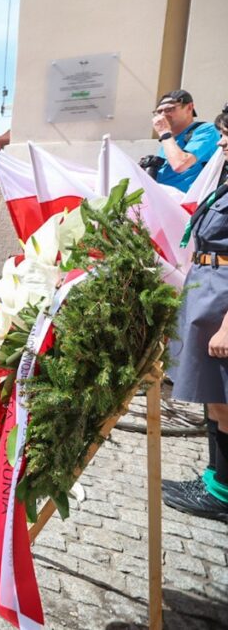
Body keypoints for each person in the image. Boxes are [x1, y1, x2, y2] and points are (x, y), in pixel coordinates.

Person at [163, 105, 228, 521]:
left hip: (222, 303)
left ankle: (221, 494)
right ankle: (213, 479)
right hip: (209, 292)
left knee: (224, 401)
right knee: (213, 398)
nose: (222, 142)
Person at [146, 90, 220, 192]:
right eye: (159, 111)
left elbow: (180, 164)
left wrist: (164, 132)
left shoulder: (207, 130)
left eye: (169, 109)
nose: (162, 115)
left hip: (189, 202)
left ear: (189, 107)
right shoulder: (169, 140)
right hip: (165, 199)